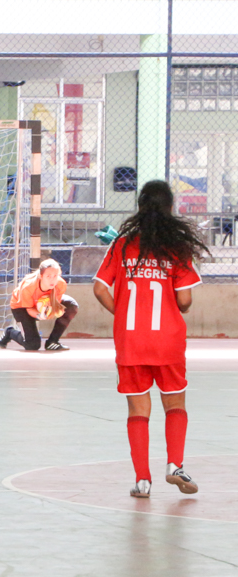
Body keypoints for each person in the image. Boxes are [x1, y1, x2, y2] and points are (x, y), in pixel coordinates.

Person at [93, 180, 206, 498]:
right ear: (171, 208)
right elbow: (184, 301)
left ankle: (142, 480)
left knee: (137, 410)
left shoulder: (121, 245)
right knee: (175, 404)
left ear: (139, 208)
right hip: (167, 341)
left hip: (131, 340)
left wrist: (125, 314)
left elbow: (100, 288)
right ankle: (175, 465)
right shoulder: (177, 249)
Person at [0, 259, 79, 351]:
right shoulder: (28, 287)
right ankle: (10, 332)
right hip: (22, 307)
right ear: (41, 276)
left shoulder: (60, 284)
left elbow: (56, 302)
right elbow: (29, 310)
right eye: (48, 276)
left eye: (55, 276)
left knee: (71, 305)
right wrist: (40, 315)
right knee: (32, 345)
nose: (52, 279)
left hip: (44, 302)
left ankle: (53, 342)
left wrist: (54, 310)